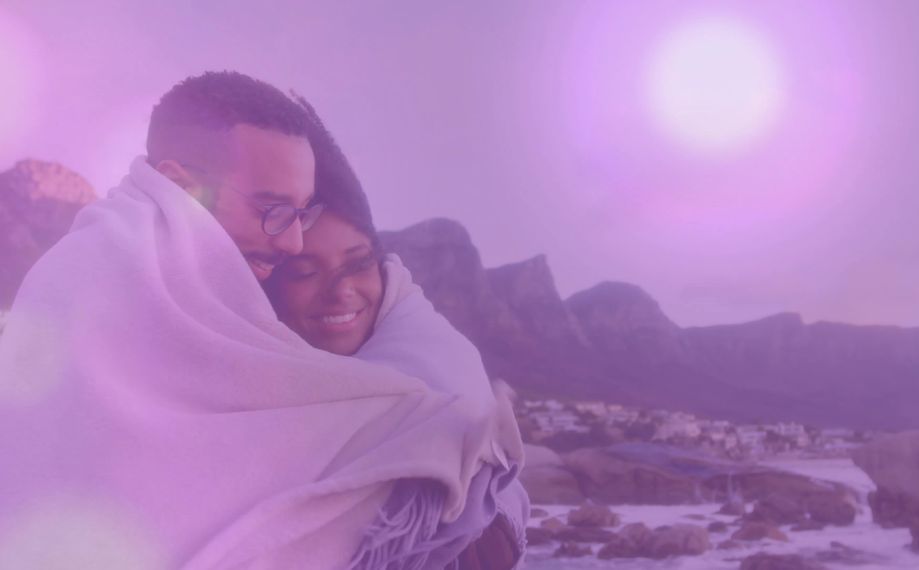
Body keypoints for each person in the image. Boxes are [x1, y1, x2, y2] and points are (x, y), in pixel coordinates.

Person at [0, 71, 522, 569]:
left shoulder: (202, 287)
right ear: (180, 188)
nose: (292, 240)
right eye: (271, 210)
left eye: (301, 212)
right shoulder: (97, 283)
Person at [263, 104, 529, 569]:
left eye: (358, 263)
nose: (341, 292)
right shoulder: (248, 395)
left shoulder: (440, 381)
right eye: (305, 271)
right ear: (272, 289)